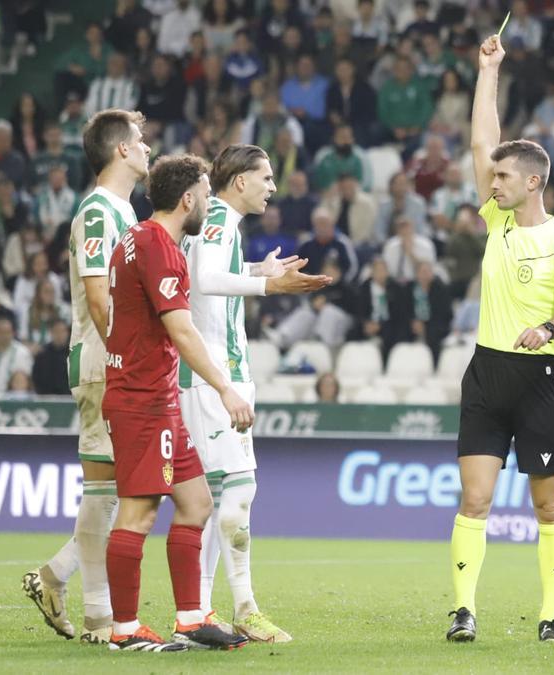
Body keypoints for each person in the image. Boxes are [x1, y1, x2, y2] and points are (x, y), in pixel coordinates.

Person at [446, 35, 554, 645]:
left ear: (533, 182)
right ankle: (463, 611)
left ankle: (552, 615)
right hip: (487, 373)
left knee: (548, 507)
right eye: (494, 174)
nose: (492, 180)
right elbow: (484, 139)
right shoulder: (497, 219)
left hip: (542, 376)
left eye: (504, 176)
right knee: (474, 501)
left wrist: (550, 328)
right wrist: (488, 71)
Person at [179, 144, 329, 642]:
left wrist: (258, 271)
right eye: (265, 177)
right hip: (213, 375)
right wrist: (272, 289)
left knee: (215, 496)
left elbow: (204, 281)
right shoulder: (220, 216)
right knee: (239, 491)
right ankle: (245, 607)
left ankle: (198, 614)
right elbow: (203, 279)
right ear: (239, 180)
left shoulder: (218, 222)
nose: (272, 186)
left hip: (208, 374)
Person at [101, 154, 251, 651]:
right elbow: (181, 329)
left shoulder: (134, 238)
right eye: (207, 194)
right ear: (188, 198)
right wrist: (225, 388)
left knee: (196, 502)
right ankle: (125, 629)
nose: (209, 203)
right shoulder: (161, 247)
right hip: (143, 400)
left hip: (152, 395)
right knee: (139, 513)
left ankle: (190, 618)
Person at [21, 109, 148, 645]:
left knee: (117, 493)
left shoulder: (122, 210)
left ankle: (59, 582)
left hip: (111, 362)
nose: (147, 147)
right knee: (111, 496)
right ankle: (97, 614)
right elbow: (99, 295)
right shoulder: (99, 212)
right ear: (120, 150)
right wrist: (125, 359)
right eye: (139, 139)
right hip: (103, 364)